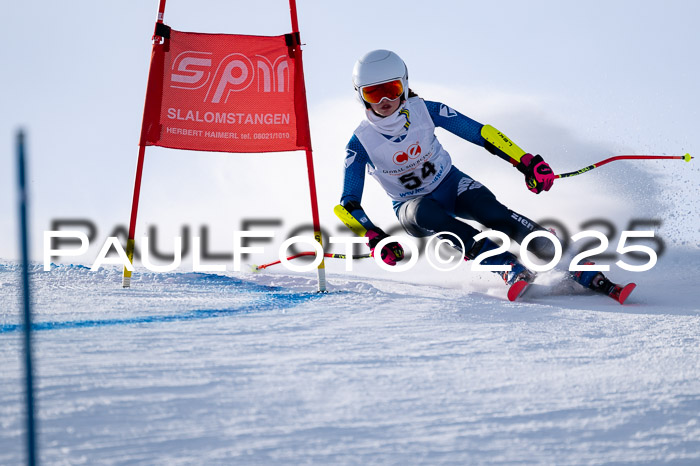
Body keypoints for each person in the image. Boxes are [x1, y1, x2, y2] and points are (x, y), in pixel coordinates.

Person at [339, 49, 617, 295]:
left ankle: (568, 258)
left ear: (405, 84)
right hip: (411, 205)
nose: (385, 99)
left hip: (450, 182)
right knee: (432, 215)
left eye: (393, 88)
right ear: (360, 95)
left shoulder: (426, 111)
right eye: (374, 92)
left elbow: (480, 132)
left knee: (493, 212)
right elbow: (347, 204)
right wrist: (373, 235)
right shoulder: (360, 142)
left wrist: (526, 162)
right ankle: (507, 266)